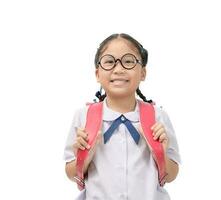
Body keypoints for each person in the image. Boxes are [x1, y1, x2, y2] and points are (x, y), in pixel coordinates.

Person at [63, 33, 181, 200]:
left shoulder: (158, 117)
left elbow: (171, 175)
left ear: (143, 73)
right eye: (110, 62)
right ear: (97, 74)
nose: (118, 69)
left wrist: (160, 153)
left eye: (128, 61)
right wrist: (84, 157)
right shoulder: (83, 116)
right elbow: (70, 173)